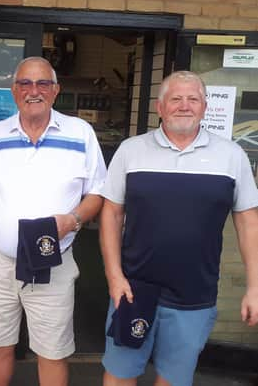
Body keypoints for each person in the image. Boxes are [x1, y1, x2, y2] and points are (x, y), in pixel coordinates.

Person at [100, 71, 258, 386]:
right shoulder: (131, 151)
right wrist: (114, 275)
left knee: (174, 378)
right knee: (120, 373)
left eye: (193, 99)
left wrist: (254, 286)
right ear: (160, 107)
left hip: (194, 294)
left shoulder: (231, 156)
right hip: (134, 289)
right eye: (175, 98)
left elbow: (248, 220)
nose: (184, 106)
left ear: (204, 106)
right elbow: (111, 214)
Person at [0, 56, 107, 386]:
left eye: (43, 83)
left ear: (55, 90)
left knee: (52, 351)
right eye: (25, 83)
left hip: (51, 261)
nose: (34, 91)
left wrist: (72, 220)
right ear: (14, 92)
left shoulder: (80, 132)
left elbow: (98, 193)